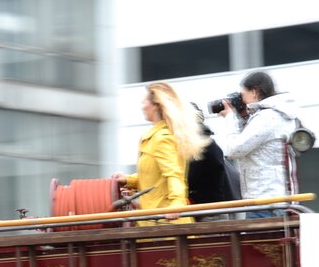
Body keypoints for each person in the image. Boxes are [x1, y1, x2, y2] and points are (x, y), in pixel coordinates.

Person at [113, 82, 205, 224]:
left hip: (165, 223)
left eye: (144, 102)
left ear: (155, 105)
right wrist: (127, 180)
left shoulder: (162, 138)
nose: (142, 106)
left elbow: (174, 174)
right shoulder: (157, 137)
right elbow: (154, 177)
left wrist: (176, 204)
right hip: (155, 221)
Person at [216, 70, 300, 218]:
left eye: (243, 94)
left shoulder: (267, 117)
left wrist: (230, 117)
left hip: (265, 202)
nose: (242, 99)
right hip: (272, 200)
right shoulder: (275, 115)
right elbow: (254, 145)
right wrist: (243, 118)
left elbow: (234, 150)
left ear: (254, 92)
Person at [186, 103, 241, 213]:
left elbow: (190, 179)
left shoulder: (202, 145)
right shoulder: (207, 141)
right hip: (214, 206)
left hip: (208, 210)